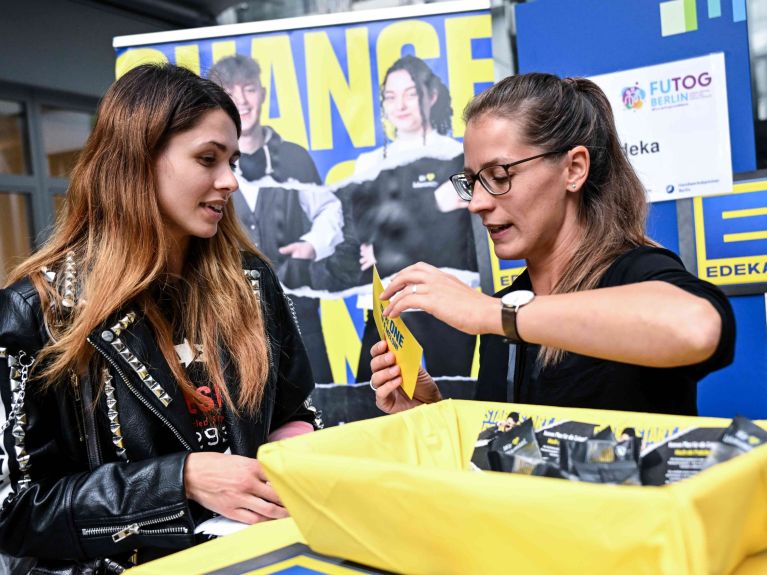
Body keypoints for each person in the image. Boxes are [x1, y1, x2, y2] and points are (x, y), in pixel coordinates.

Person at [0, 64, 321, 572]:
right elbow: (16, 511)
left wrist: (295, 441)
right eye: (207, 159)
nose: (230, 180)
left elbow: (291, 407)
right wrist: (181, 480)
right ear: (136, 162)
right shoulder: (36, 311)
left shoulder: (251, 281)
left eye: (232, 160)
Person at [369, 72, 735, 416]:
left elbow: (696, 327)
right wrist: (428, 412)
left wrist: (490, 315)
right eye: (472, 181)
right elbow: (502, 467)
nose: (477, 202)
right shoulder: (503, 315)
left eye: (499, 175)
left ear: (574, 169)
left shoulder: (633, 273)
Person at [338, 55, 479, 381]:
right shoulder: (369, 163)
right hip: (388, 299)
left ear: (431, 96)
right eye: (390, 96)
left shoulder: (460, 156)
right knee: (373, 395)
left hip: (450, 295)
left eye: (410, 93)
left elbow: (456, 231)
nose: (399, 104)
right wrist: (433, 205)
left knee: (450, 396)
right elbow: (362, 230)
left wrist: (385, 245)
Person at [208, 55, 341, 383]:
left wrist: (312, 245)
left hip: (300, 313)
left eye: (249, 89)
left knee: (317, 404)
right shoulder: (208, 164)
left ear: (263, 94)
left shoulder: (295, 157)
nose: (242, 100)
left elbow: (330, 209)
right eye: (230, 91)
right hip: (232, 322)